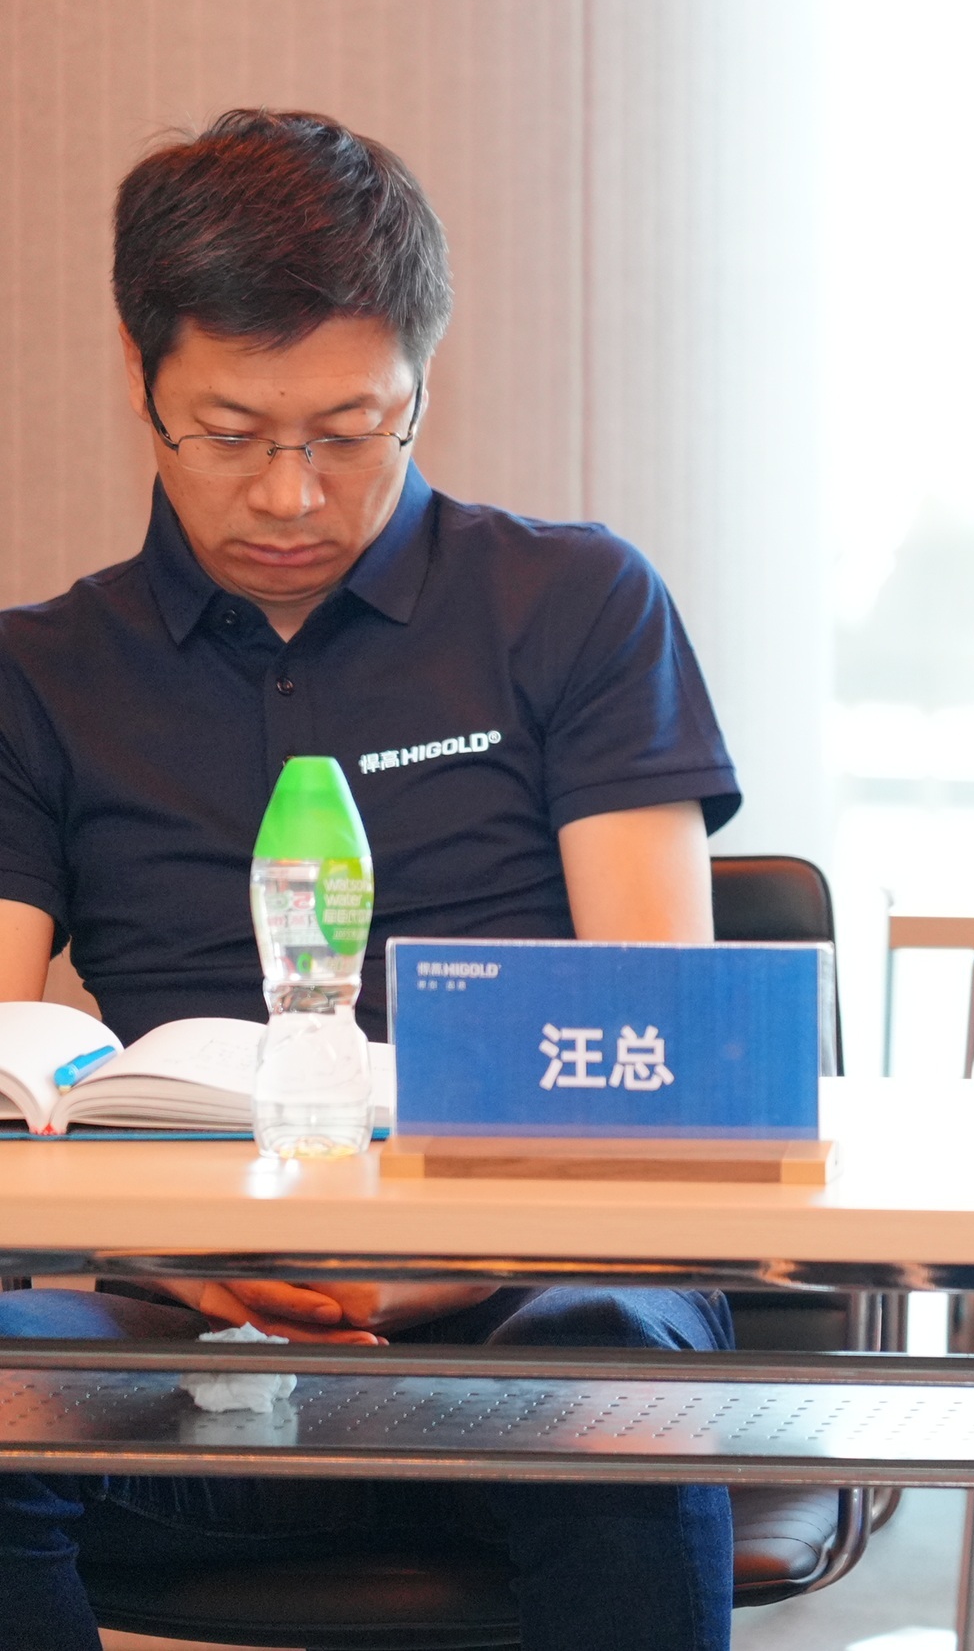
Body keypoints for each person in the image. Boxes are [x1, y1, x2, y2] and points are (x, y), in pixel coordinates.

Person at [0, 113, 745, 1651]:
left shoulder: (574, 605)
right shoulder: (43, 676)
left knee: (605, 1355)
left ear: (424, 382)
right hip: (172, 1318)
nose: (290, 497)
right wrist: (188, 1268)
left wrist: (428, 1276)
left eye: (350, 433)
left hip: (532, 1299)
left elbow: (664, 1057)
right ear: (141, 380)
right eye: (231, 433)